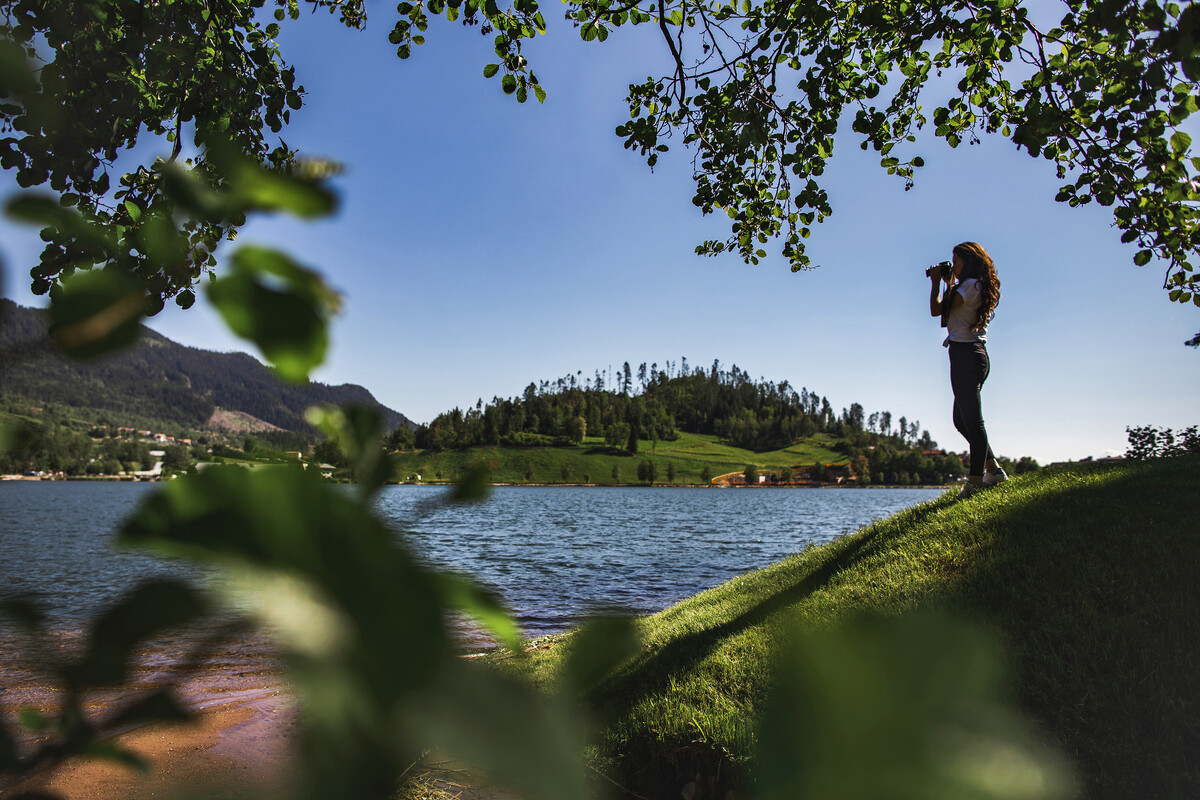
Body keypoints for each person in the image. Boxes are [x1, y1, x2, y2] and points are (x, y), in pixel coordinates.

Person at [928, 242, 1007, 500]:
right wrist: (947, 282)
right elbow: (946, 315)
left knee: (973, 421)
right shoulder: (972, 286)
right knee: (961, 420)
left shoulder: (970, 287)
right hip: (971, 356)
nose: (953, 265)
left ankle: (975, 483)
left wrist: (937, 282)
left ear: (968, 261)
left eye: (956, 261)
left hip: (966, 357)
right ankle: (992, 469)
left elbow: (937, 309)